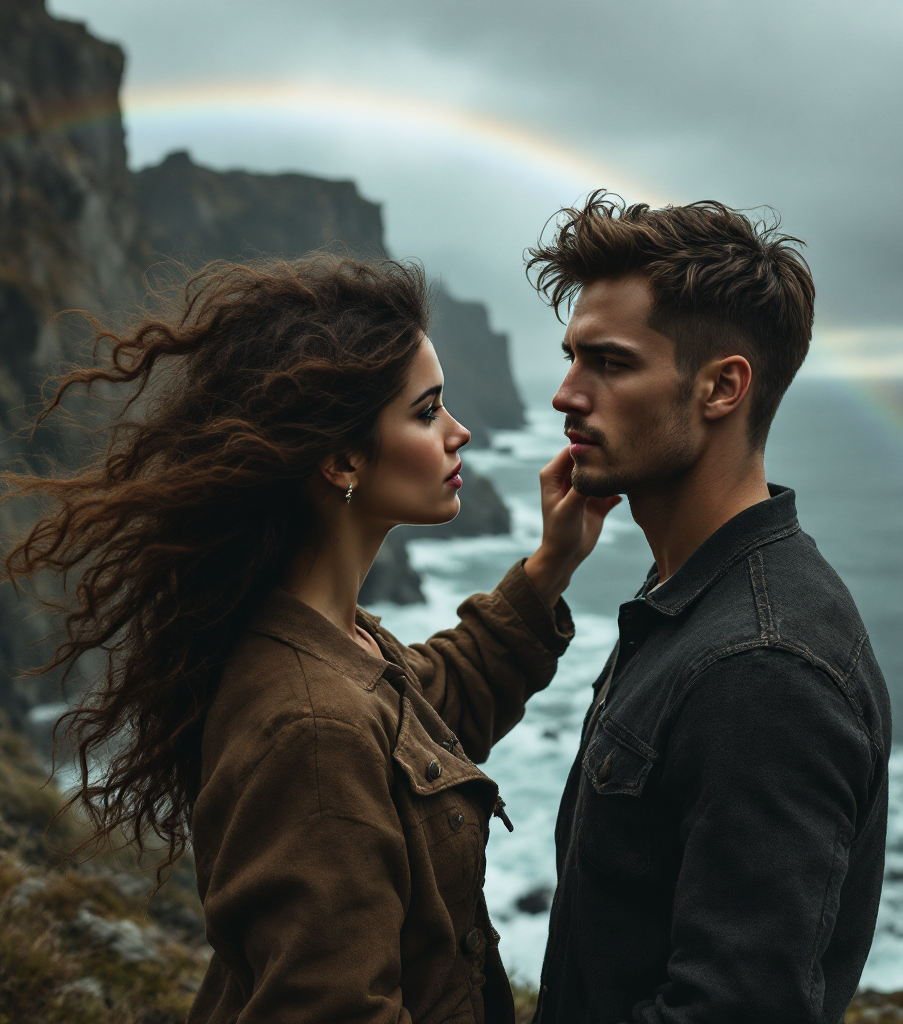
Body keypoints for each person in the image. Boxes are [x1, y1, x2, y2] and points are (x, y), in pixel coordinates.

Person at [3, 256, 619, 1024]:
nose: (461, 433)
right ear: (340, 458)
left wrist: (553, 564)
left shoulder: (326, 638)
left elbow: (435, 706)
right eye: (427, 413)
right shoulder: (315, 726)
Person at [526, 194, 891, 1024]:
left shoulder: (762, 669)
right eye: (572, 358)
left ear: (722, 387)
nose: (564, 396)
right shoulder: (688, 596)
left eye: (609, 364)